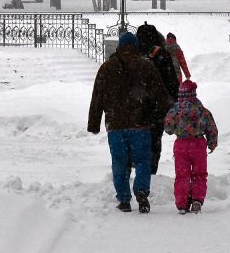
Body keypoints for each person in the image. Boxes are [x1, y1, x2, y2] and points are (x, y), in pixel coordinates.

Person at [88, 32, 172, 213]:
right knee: (142, 161)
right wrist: (170, 115)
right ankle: (141, 192)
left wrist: (94, 123)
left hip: (115, 126)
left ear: (119, 46)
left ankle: (124, 200)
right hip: (140, 125)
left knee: (119, 162)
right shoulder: (146, 66)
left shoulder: (107, 68)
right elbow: (161, 94)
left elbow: (97, 97)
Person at [164, 80, 218, 215]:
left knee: (182, 176)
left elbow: (168, 128)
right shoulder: (202, 110)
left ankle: (182, 204)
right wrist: (212, 143)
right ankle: (197, 201)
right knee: (199, 175)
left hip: (181, 145)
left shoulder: (175, 110)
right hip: (198, 145)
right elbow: (212, 129)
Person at [136, 22, 179, 175]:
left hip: (137, 107)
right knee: (154, 140)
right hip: (158, 108)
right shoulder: (163, 56)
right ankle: (151, 171)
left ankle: (139, 170)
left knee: (137, 141)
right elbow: (173, 83)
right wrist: (174, 103)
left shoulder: (134, 56)